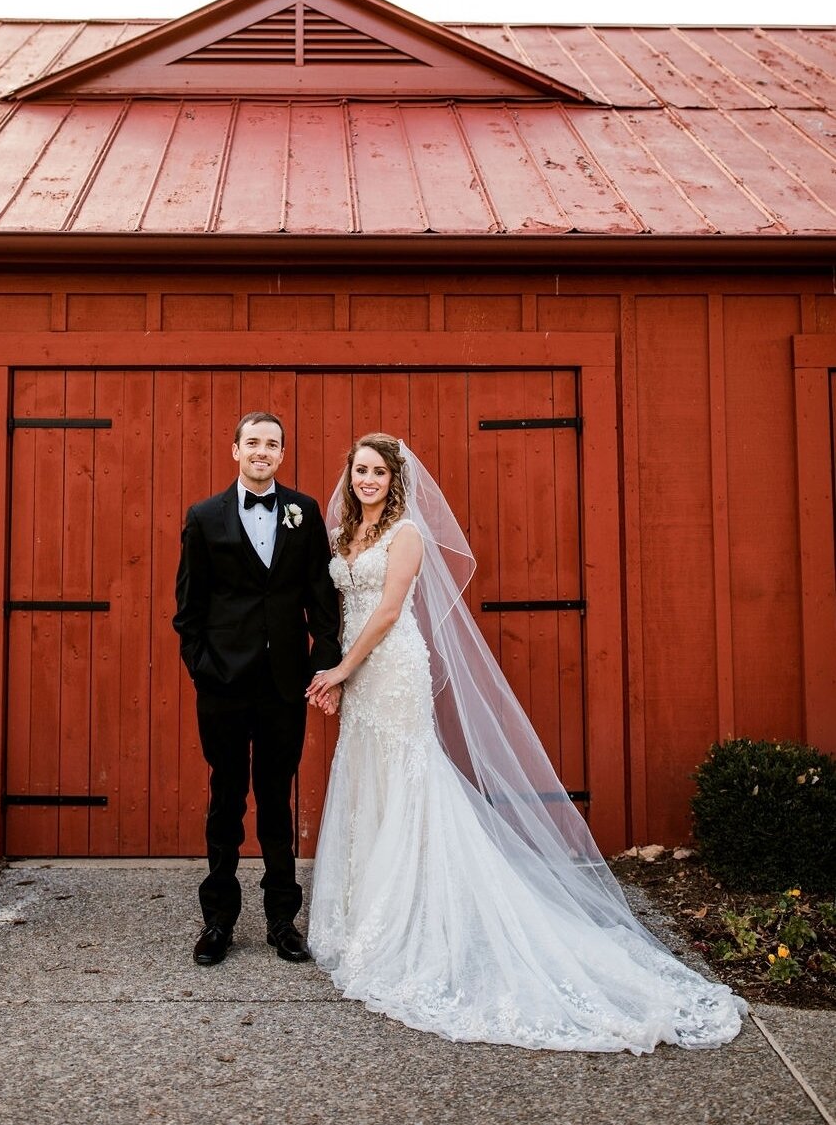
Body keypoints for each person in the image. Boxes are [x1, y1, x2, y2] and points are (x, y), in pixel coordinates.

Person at [305, 433, 747, 1052]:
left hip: (392, 669)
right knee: (367, 776)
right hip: (356, 672)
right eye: (360, 471)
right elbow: (336, 604)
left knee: (409, 778)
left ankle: (417, 914)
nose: (367, 481)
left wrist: (343, 669)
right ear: (349, 476)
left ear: (395, 478)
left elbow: (385, 613)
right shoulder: (343, 536)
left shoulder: (405, 535)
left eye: (378, 471)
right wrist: (333, 671)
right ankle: (365, 905)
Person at [174, 412, 342, 967]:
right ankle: (218, 919)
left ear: (282, 454)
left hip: (283, 685)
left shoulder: (305, 511)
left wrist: (322, 662)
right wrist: (202, 666)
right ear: (234, 449)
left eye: (272, 444)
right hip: (222, 683)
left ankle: (281, 920)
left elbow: (320, 595)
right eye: (253, 443)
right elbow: (189, 608)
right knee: (226, 798)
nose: (262, 451)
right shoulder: (204, 517)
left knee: (275, 799)